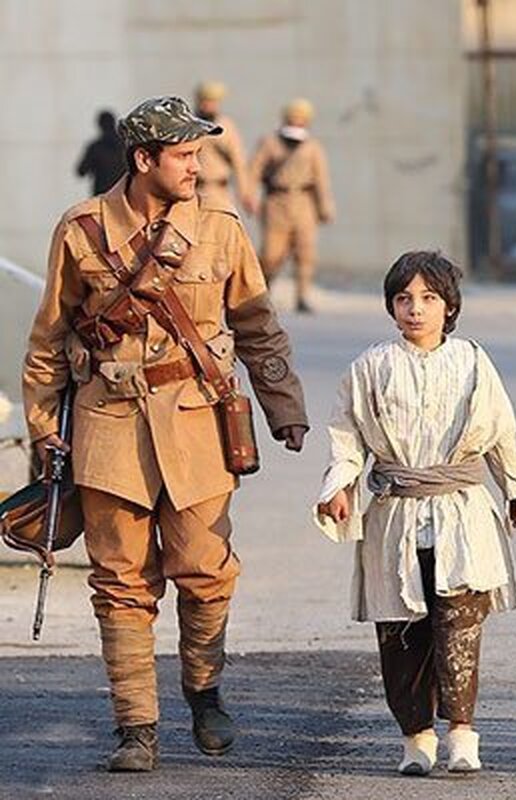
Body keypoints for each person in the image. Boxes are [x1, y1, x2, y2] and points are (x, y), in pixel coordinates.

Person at [23, 95, 309, 772]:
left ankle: (203, 689)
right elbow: (47, 342)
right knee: (120, 582)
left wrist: (282, 406)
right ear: (143, 159)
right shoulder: (81, 230)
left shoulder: (220, 231)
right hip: (107, 429)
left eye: (198, 153)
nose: (196, 166)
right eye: (184, 155)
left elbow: (258, 325)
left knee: (207, 574)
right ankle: (137, 730)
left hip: (198, 426)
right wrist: (44, 431)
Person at [314, 251, 516, 776]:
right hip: (395, 514)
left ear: (449, 306)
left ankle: (462, 733)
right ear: (391, 307)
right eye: (404, 299)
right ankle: (415, 738)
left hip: (460, 513)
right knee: (401, 631)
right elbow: (346, 438)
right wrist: (340, 485)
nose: (415, 309)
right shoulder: (370, 367)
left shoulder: (472, 362)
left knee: (459, 623)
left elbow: (501, 431)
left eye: (428, 298)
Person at [247, 98, 336, 313]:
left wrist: (325, 207)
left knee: (305, 253)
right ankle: (262, 293)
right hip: (277, 202)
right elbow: (253, 171)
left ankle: (302, 296)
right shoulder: (270, 142)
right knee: (271, 254)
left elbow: (321, 179)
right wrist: (250, 196)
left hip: (304, 204)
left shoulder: (313, 147)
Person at [193, 81, 254, 214]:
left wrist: (245, 193)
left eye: (212, 102)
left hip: (219, 190)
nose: (208, 105)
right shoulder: (190, 126)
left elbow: (238, 162)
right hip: (194, 189)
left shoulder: (227, 126)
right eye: (205, 101)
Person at [75, 110, 125, 195]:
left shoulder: (95, 147)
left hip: (102, 197)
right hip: (124, 195)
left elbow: (81, 171)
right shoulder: (125, 145)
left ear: (100, 125)